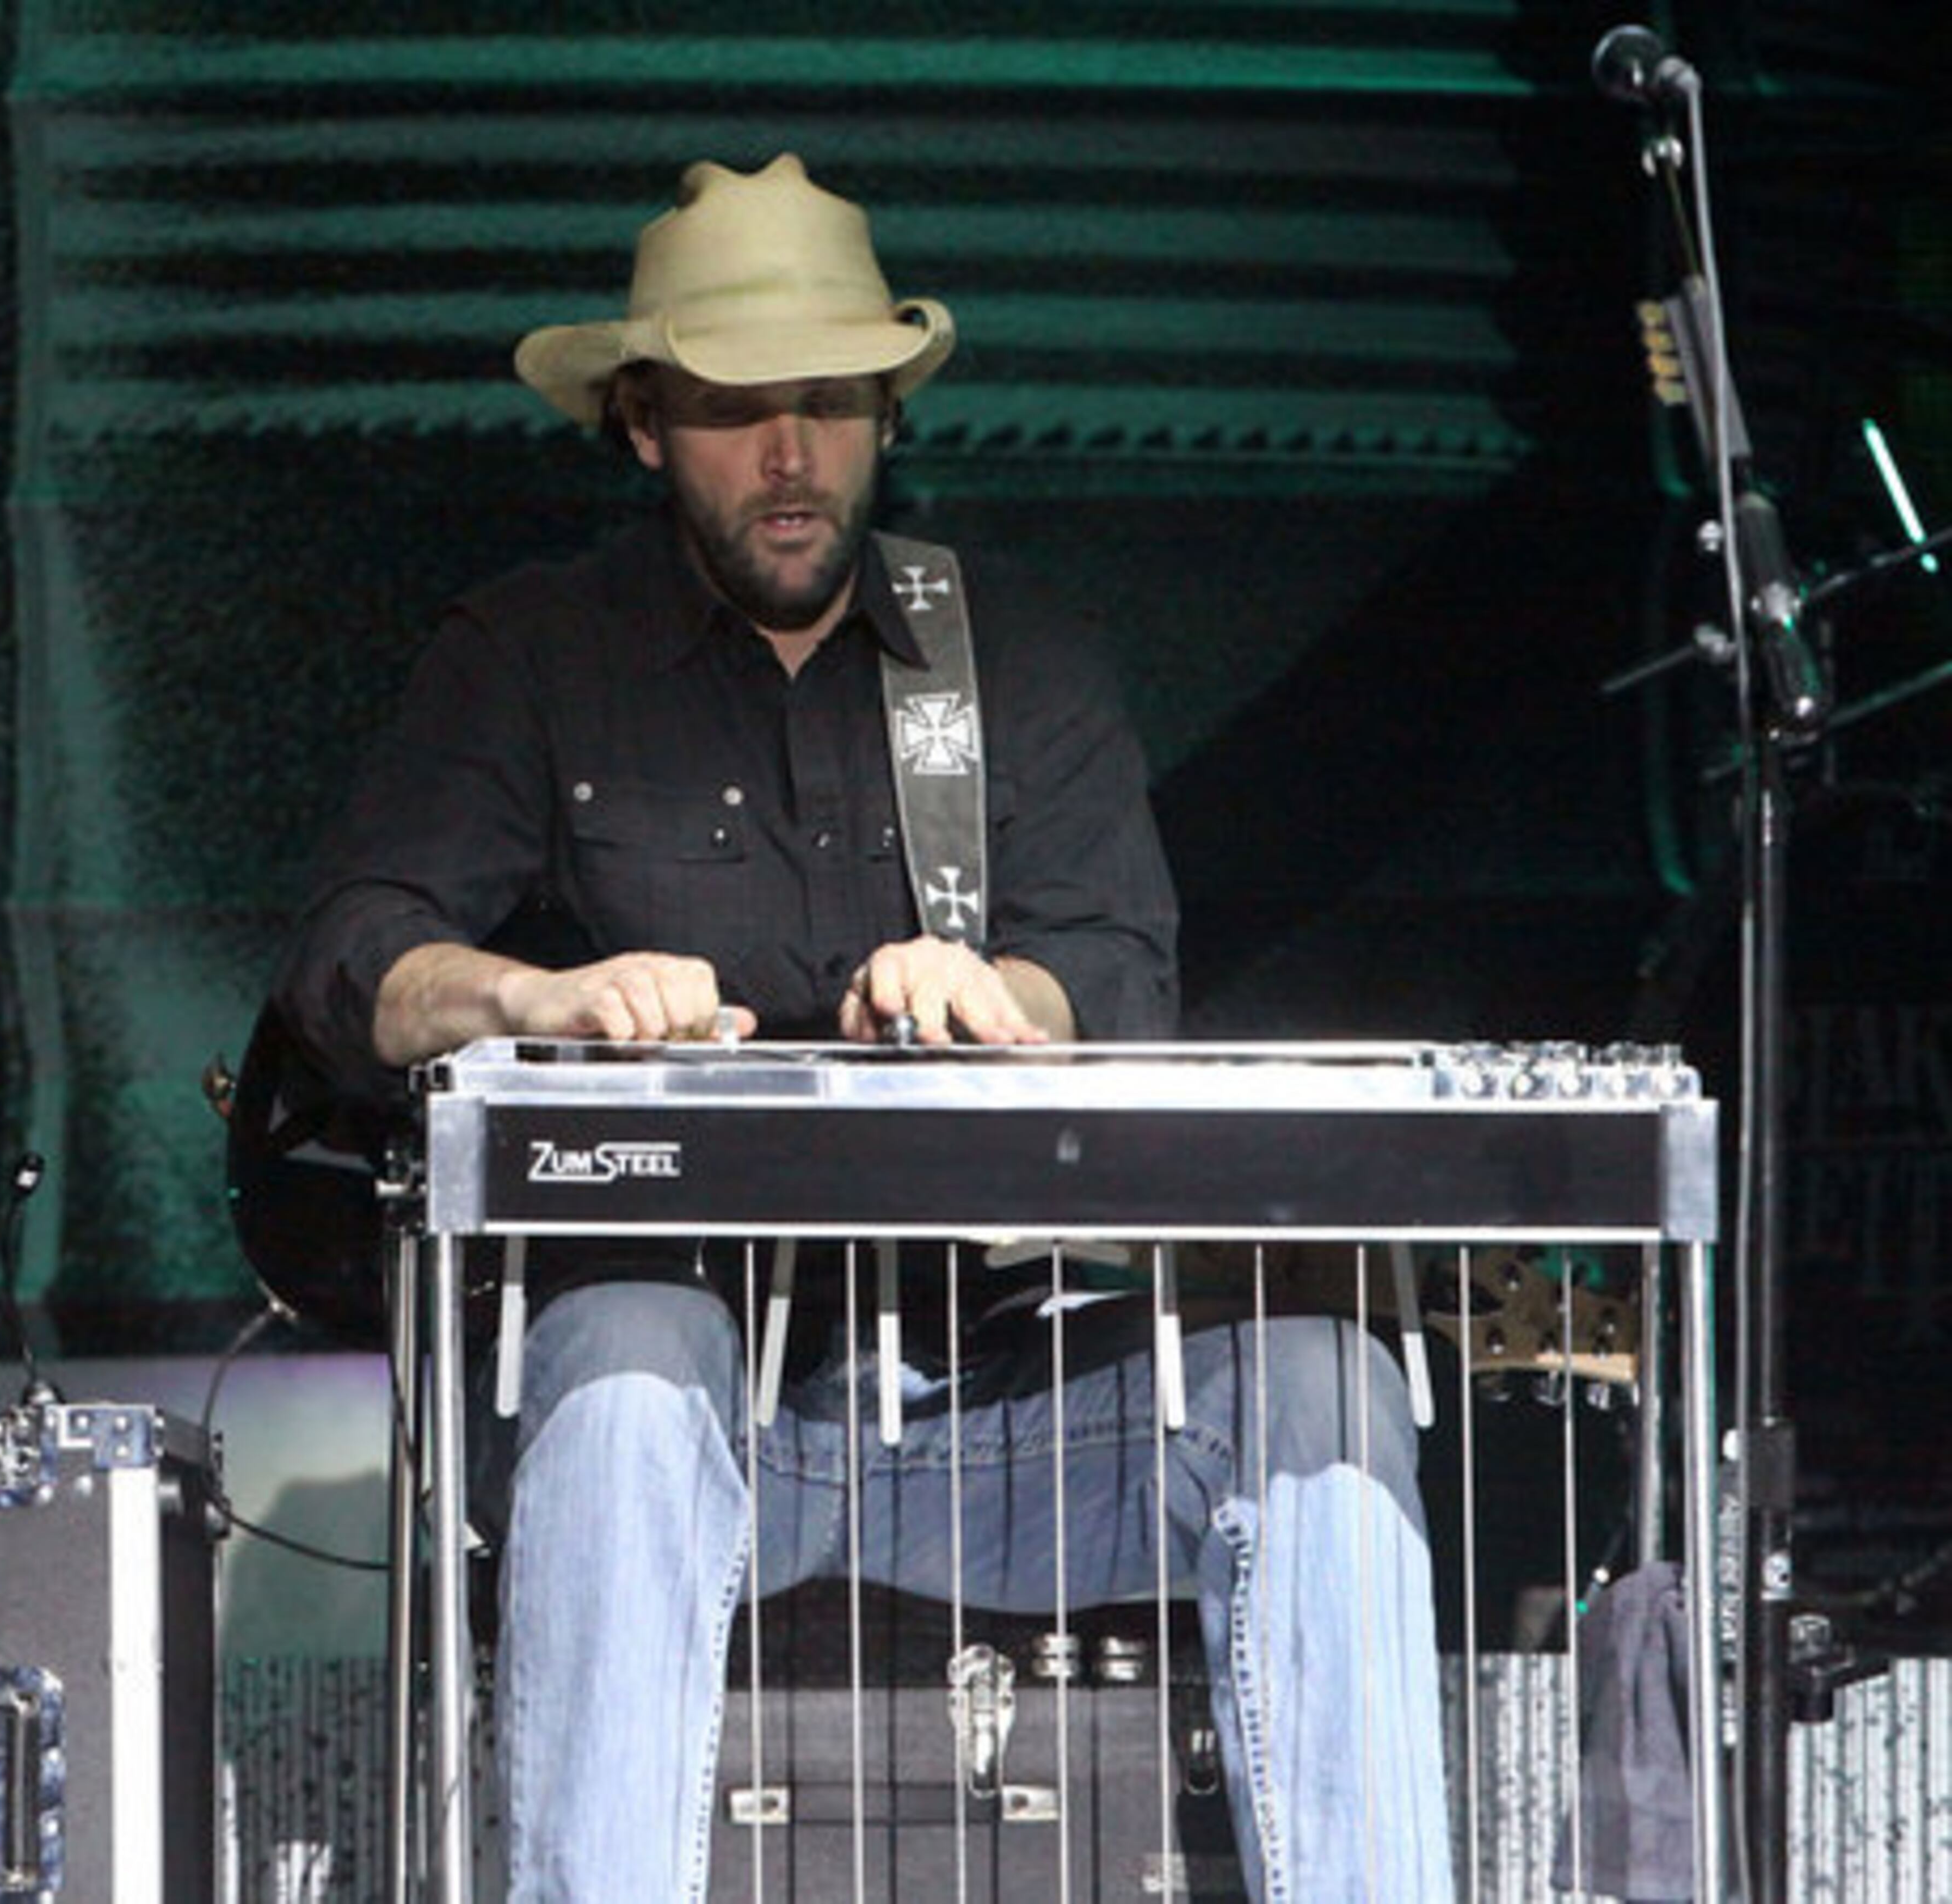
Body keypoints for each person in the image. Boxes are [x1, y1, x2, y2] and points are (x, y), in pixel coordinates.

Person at [274, 152, 1450, 1901]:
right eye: (740, 412)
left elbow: (1118, 967)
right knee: (618, 1373)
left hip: (1003, 1413)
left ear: (885, 412)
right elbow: (357, 956)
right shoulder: (531, 650)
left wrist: (1010, 999)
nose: (792, 456)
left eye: (831, 404)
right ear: (642, 423)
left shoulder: (1018, 656)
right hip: (684, 1421)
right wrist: (533, 997)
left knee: (1322, 1384)